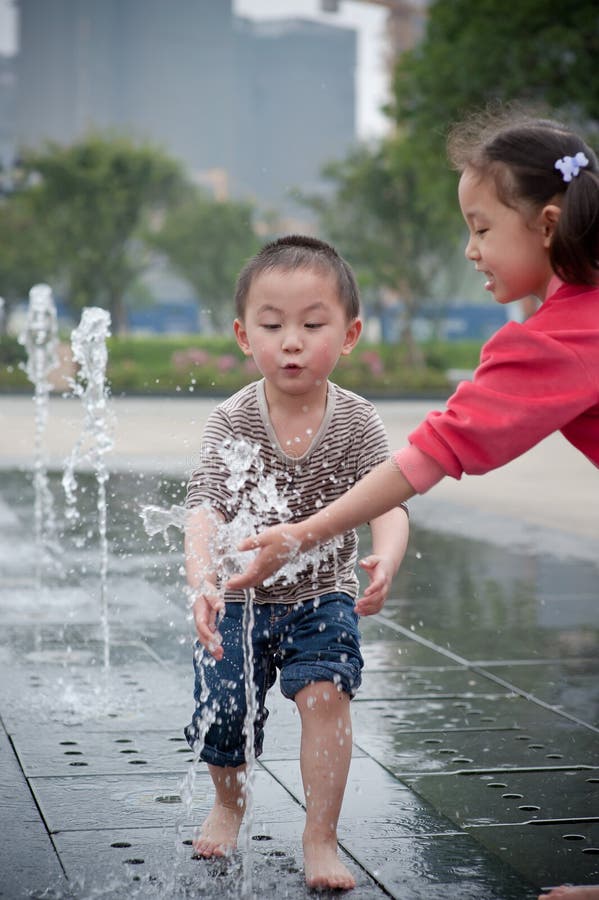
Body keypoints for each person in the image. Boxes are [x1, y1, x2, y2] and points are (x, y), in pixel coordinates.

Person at [227, 107, 599, 900]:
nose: (468, 249)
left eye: (479, 226)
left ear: (545, 223)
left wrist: (302, 533)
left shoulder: (559, 338)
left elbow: (428, 455)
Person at [183, 235, 409, 891]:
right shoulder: (232, 420)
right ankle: (228, 801)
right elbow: (204, 509)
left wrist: (385, 558)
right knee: (223, 712)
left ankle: (320, 837)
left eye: (312, 325)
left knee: (326, 695)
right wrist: (203, 580)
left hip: (323, 595)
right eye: (272, 324)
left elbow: (390, 499)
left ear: (349, 333)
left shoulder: (357, 421)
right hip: (239, 596)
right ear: (240, 334)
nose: (291, 341)